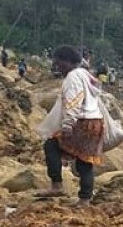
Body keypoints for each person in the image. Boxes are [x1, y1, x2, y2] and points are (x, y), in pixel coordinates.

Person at [35, 46, 105, 204]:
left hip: (82, 122)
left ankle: (57, 185)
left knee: (51, 145)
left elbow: (74, 100)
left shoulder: (72, 77)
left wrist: (68, 124)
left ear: (67, 61)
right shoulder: (86, 75)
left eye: (59, 63)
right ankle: (85, 199)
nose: (58, 67)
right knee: (85, 161)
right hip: (95, 122)